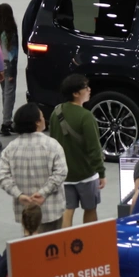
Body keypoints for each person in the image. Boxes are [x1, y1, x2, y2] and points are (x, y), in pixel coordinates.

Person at [0, 104, 66, 233]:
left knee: (30, 245)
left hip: (26, 212)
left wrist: (19, 195)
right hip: (51, 210)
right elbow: (61, 173)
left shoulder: (11, 148)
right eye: (42, 116)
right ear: (37, 122)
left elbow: (1, 176)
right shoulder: (52, 145)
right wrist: (43, 192)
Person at [47, 75, 105, 228]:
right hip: (86, 173)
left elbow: (52, 142)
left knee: (67, 209)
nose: (89, 90)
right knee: (90, 208)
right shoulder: (86, 117)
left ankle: (65, 241)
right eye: (86, 88)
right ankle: (89, 240)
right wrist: (101, 172)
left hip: (64, 174)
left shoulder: (56, 112)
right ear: (76, 93)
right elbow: (94, 149)